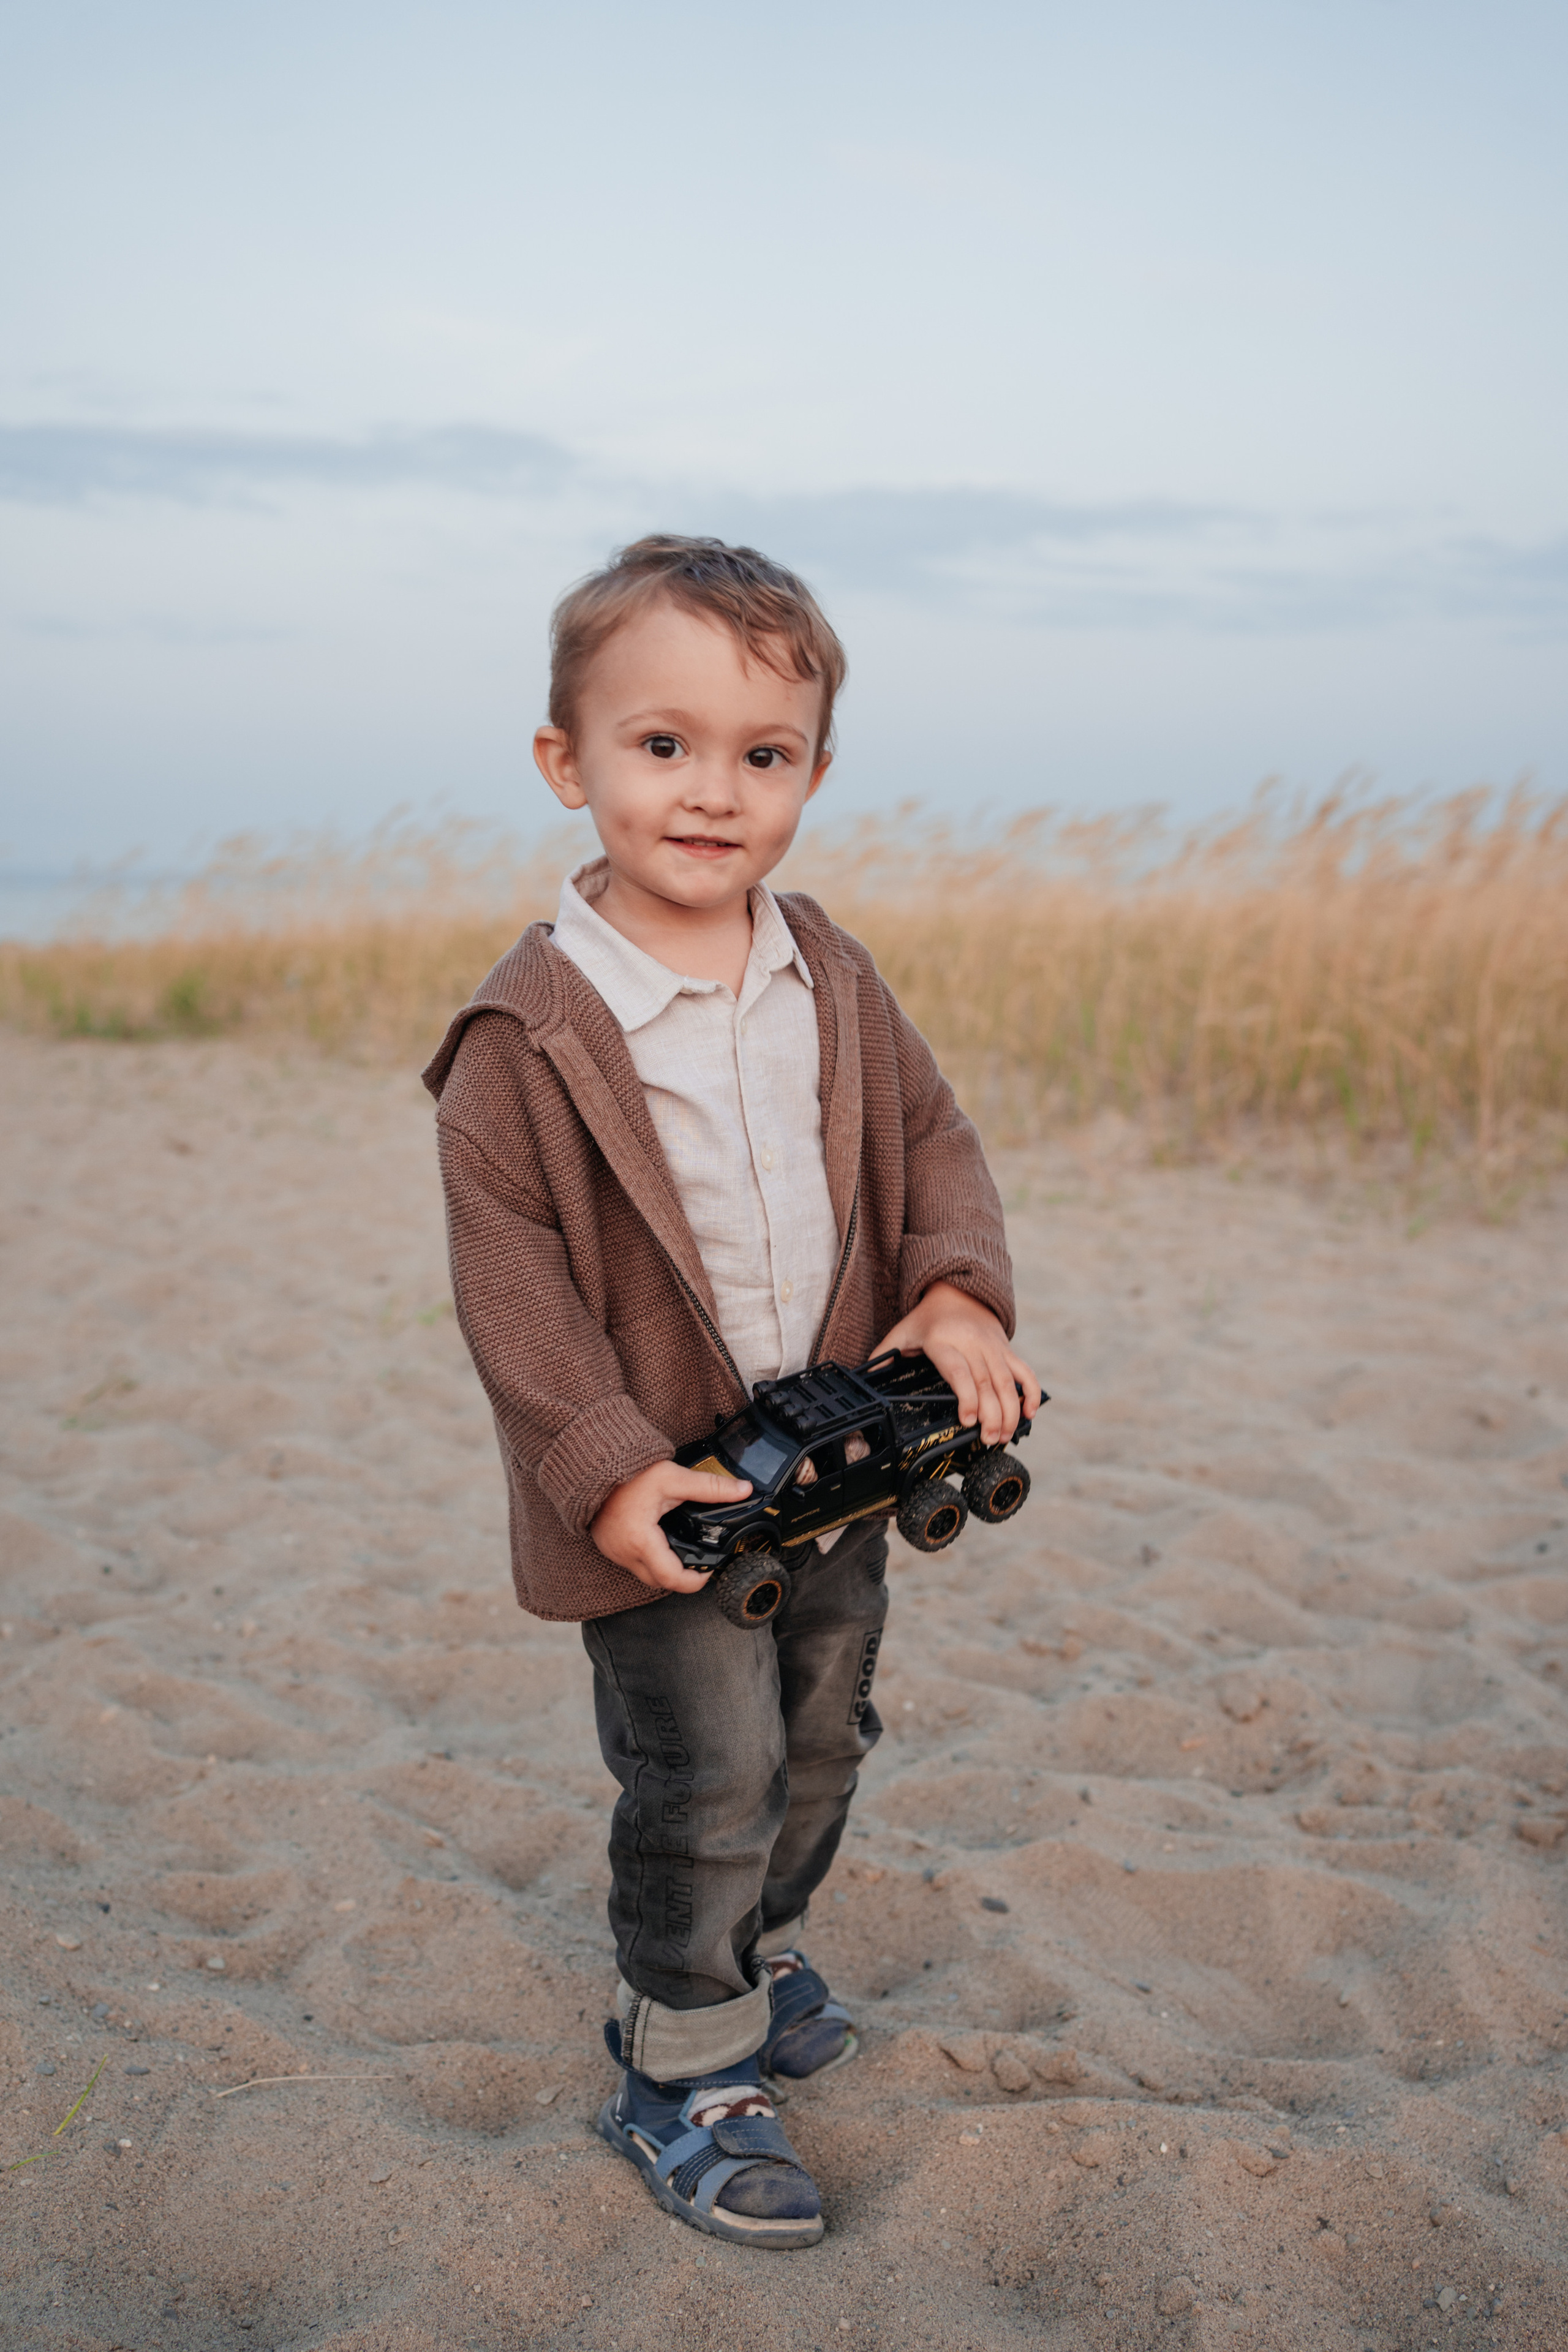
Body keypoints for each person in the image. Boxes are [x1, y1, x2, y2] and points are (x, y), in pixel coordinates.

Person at [423, 535, 1041, 2250]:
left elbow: (928, 1141)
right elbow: (516, 1292)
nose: (714, 794)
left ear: (816, 776)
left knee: (824, 1732)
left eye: (763, 757)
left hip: (835, 1454)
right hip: (673, 1495)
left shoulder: (826, 967)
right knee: (705, 1769)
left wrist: (954, 1290)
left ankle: (749, 1967)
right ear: (570, 763)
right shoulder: (522, 1038)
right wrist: (609, 1466)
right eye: (663, 745)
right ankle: (683, 2062)